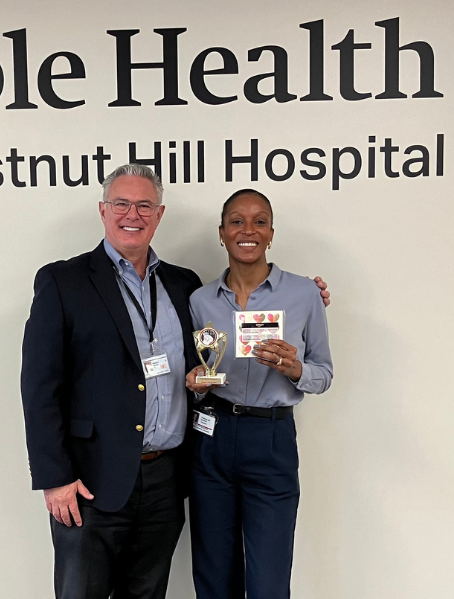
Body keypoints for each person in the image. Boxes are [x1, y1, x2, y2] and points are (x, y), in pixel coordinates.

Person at [20, 166, 329, 599]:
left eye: (144, 205)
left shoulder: (183, 285)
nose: (133, 214)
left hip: (166, 477)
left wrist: (305, 297)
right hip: (93, 479)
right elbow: (40, 386)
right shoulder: (63, 281)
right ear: (103, 211)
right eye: (122, 204)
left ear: (159, 214)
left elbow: (213, 347)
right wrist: (55, 476)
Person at [186, 189, 334, 599]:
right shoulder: (200, 301)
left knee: (268, 580)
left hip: (270, 440)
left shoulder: (304, 295)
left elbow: (324, 374)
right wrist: (195, 385)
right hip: (212, 438)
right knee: (214, 576)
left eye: (259, 221)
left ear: (271, 232)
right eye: (236, 221)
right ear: (222, 232)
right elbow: (199, 368)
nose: (247, 230)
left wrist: (296, 368)